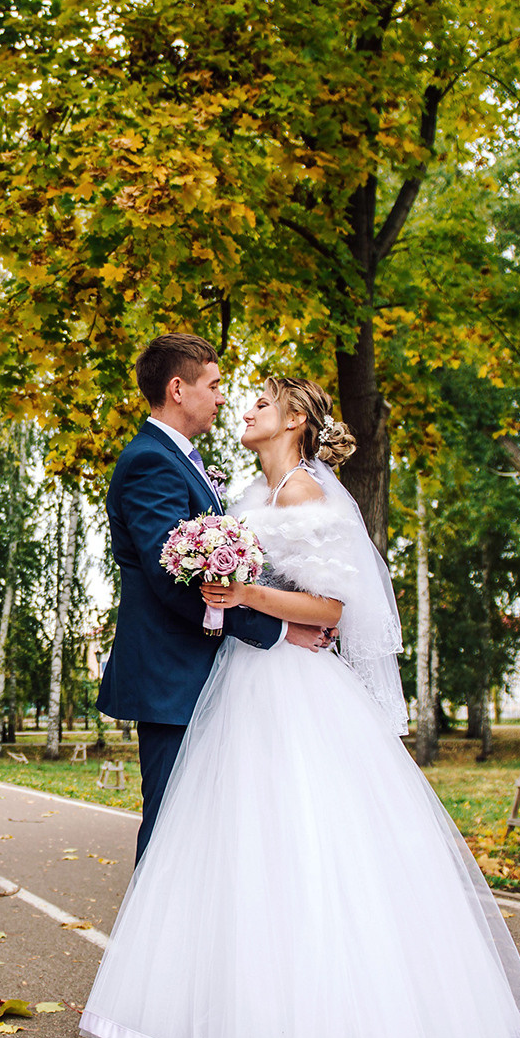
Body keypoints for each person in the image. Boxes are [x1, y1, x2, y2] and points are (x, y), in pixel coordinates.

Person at [81, 374, 520, 1038]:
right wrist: (239, 596)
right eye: (240, 398)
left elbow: (331, 607)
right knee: (236, 846)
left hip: (293, 685)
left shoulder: (307, 495)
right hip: (238, 680)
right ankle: (227, 1017)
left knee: (311, 838)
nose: (244, 408)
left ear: (295, 419)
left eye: (261, 403)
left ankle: (332, 1031)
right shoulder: (245, 497)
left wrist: (248, 595)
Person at [97, 334, 332, 862]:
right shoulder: (151, 462)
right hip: (174, 680)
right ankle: (150, 923)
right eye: (215, 384)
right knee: (170, 834)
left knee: (207, 836)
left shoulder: (181, 460)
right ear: (178, 389)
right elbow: (173, 581)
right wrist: (278, 629)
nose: (225, 398)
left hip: (212, 677)